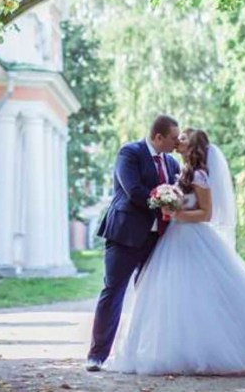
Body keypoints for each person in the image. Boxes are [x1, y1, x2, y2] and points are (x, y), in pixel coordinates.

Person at [109, 128, 245, 375]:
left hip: (192, 237)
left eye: (182, 138)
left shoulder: (200, 175)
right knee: (173, 295)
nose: (177, 141)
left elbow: (207, 213)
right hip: (174, 237)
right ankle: (175, 349)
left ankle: (215, 351)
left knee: (200, 293)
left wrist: (176, 213)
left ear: (192, 146)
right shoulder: (181, 170)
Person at [85, 114, 182, 372]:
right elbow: (133, 190)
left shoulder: (172, 163)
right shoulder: (130, 153)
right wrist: (165, 201)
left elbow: (180, 190)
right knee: (113, 291)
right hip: (124, 234)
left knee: (151, 295)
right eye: (173, 138)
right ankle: (97, 356)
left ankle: (143, 353)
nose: (176, 143)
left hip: (157, 239)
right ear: (158, 137)